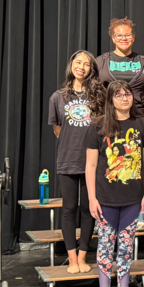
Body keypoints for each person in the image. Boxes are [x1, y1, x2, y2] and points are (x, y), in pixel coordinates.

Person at [84, 80, 144, 287]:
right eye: (118, 95)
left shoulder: (142, 124)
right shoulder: (97, 126)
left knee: (126, 246)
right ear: (111, 99)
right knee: (106, 245)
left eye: (127, 94)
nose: (124, 98)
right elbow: (90, 165)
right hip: (105, 199)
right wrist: (92, 198)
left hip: (132, 198)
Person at [96, 16, 144, 230]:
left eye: (128, 35)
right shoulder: (101, 61)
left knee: (136, 167)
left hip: (137, 122)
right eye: (119, 35)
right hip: (110, 122)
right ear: (113, 38)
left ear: (133, 37)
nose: (124, 38)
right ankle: (102, 215)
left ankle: (138, 216)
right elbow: (94, 92)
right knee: (108, 166)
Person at [49, 50, 105, 274]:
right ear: (71, 64)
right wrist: (72, 143)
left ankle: (83, 256)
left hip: (93, 161)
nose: (81, 67)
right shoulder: (58, 97)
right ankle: (72, 259)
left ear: (92, 69)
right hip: (68, 158)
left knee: (88, 208)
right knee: (69, 208)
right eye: (78, 62)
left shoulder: (99, 95)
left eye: (86, 64)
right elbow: (57, 128)